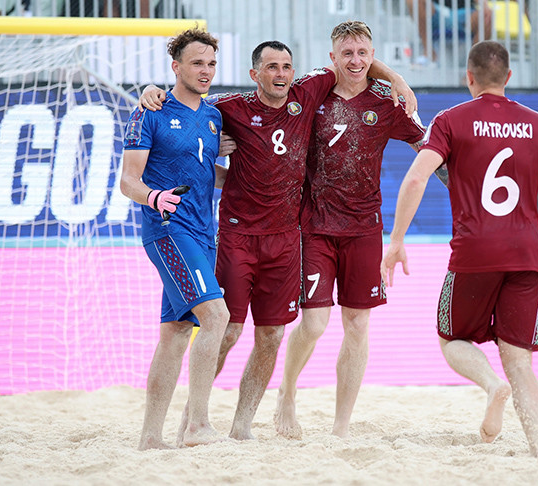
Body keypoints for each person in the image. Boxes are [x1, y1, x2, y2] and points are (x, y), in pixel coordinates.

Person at [139, 37, 417, 441]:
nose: (280, 74)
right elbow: (187, 97)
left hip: (287, 239)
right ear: (255, 74)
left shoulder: (307, 91)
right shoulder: (229, 107)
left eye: (286, 66)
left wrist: (396, 78)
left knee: (270, 335)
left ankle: (242, 426)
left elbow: (355, 62)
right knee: (228, 330)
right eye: (271, 67)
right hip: (237, 236)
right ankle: (193, 414)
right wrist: (153, 91)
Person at [381, 40, 538, 459]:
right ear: (509, 77)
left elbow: (416, 179)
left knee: (451, 338)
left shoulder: (451, 120)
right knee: (520, 361)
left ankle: (492, 386)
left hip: (474, 252)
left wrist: (396, 240)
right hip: (527, 255)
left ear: (467, 77)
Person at [273, 21, 427, 440]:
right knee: (315, 325)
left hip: (364, 229)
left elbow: (429, 150)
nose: (355, 61)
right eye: (347, 54)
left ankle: (341, 426)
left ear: (371, 55)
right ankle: (286, 393)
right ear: (333, 58)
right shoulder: (313, 92)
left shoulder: (388, 102)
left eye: (363, 53)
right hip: (316, 227)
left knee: (357, 325)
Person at [120, 27, 230, 450]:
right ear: (176, 67)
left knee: (175, 333)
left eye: (211, 64)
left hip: (205, 232)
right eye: (197, 63)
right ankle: (198, 426)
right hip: (169, 229)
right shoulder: (150, 110)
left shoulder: (212, 115)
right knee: (216, 317)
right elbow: (129, 181)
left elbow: (206, 173)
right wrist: (154, 196)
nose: (205, 71)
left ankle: (150, 437)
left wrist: (242, 176)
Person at [406, 0, 493, 64]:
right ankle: (429, 53)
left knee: (488, 15)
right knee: (413, 1)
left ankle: (474, 63)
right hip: (437, 11)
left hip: (464, 13)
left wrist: (486, 7)